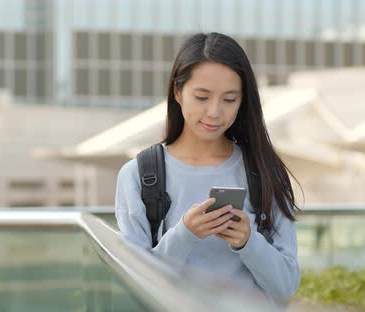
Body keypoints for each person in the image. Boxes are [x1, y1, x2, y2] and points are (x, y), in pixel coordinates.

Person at [114, 32, 301, 304]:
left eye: (229, 99)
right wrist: (184, 235)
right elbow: (136, 283)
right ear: (177, 92)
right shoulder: (138, 176)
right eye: (202, 97)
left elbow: (285, 286)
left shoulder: (264, 169)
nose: (215, 112)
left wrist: (249, 242)